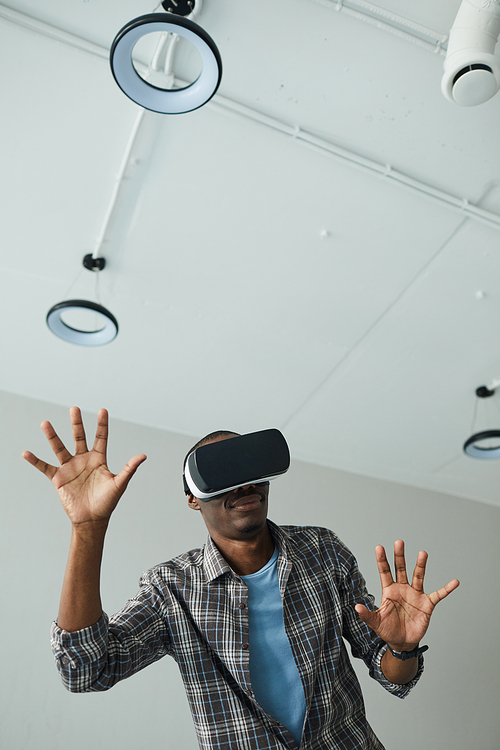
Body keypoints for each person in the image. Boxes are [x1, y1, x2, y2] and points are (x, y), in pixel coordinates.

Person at [23, 407, 460, 750]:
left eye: (249, 467)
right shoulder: (171, 589)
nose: (243, 483)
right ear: (194, 500)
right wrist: (88, 529)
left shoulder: (323, 552)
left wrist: (402, 648)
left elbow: (392, 674)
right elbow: (85, 670)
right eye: (222, 473)